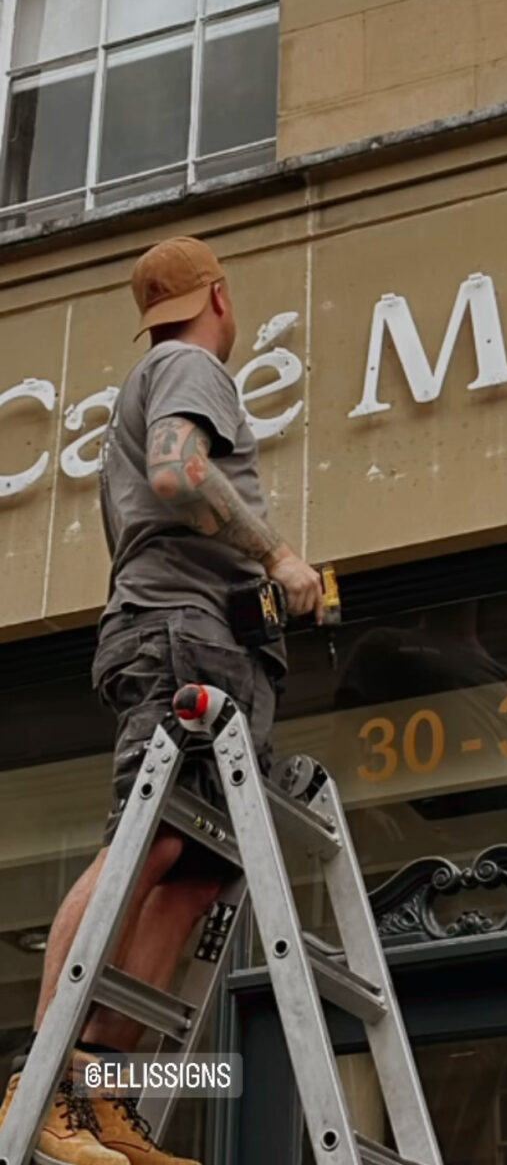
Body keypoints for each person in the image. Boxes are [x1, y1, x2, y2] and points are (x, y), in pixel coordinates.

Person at [0, 235, 324, 1165]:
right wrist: (279, 556)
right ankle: (46, 1079)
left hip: (203, 636)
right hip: (183, 634)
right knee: (145, 845)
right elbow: (182, 472)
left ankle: (103, 1098)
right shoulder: (187, 363)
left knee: (188, 873)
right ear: (218, 297)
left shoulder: (153, 371)